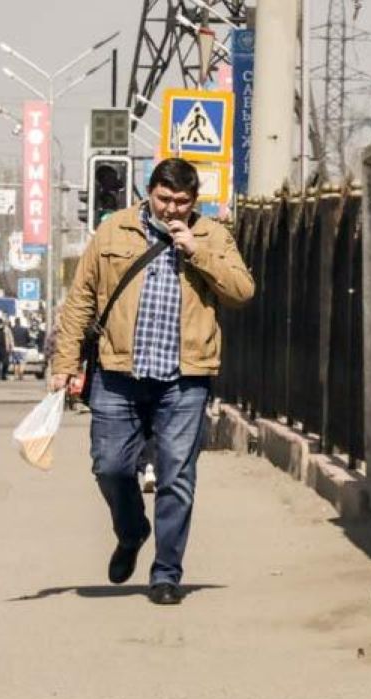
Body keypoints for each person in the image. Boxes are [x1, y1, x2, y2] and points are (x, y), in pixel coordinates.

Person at [50, 157, 254, 606]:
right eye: (164, 200)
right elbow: (81, 299)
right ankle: (131, 531)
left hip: (185, 378)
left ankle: (166, 573)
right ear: (149, 193)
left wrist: (194, 251)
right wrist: (64, 363)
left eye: (182, 202)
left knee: (176, 477)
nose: (172, 210)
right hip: (119, 372)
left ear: (194, 201)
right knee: (110, 466)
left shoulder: (212, 235)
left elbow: (242, 291)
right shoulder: (113, 232)